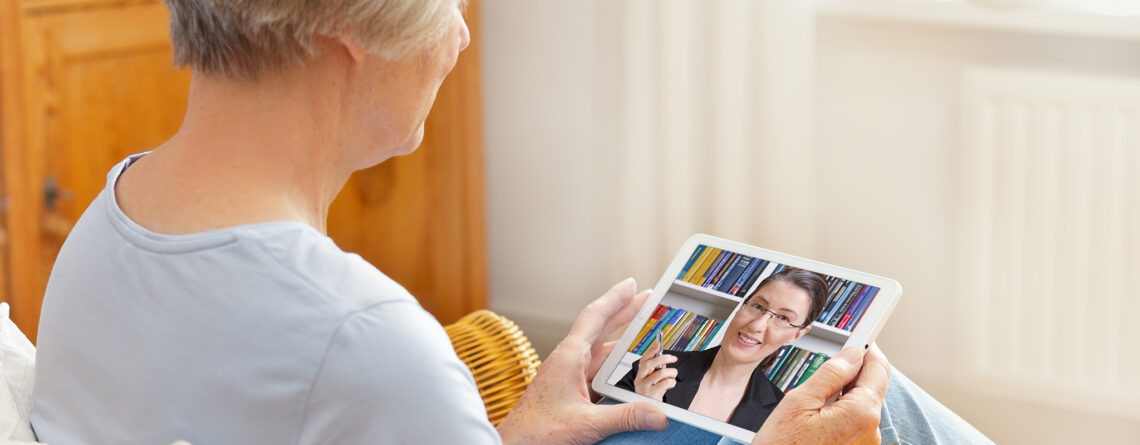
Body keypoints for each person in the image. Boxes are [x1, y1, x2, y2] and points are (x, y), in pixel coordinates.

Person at [28, 0, 987, 444]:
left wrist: (519, 431)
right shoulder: (359, 337)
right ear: (351, 41)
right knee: (882, 407)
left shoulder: (106, 225)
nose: (461, 32)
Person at [616, 268, 829, 431]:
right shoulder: (654, 370)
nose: (757, 325)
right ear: (741, 306)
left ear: (797, 334)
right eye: (757, 306)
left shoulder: (781, 416)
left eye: (784, 318)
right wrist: (641, 407)